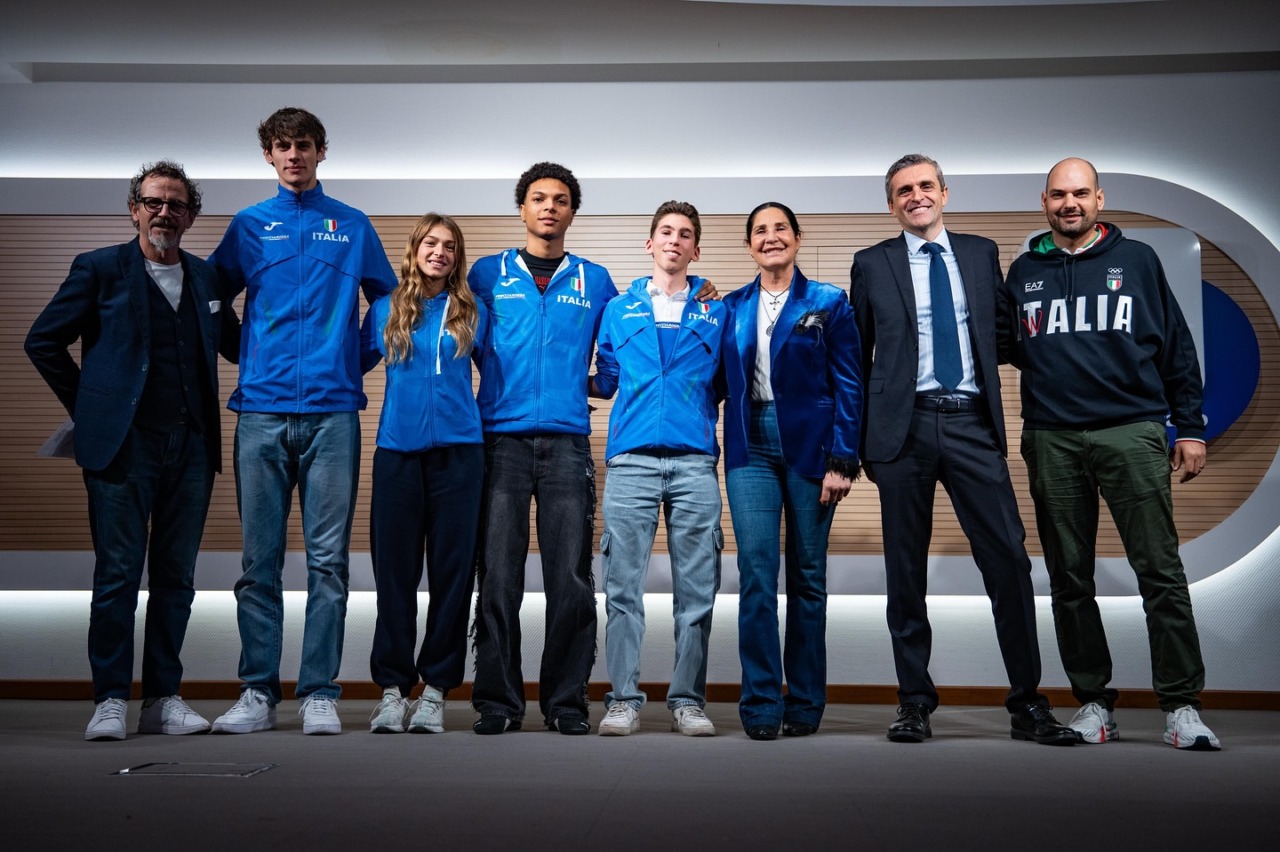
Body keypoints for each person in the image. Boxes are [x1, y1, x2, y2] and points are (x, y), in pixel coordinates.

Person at [850, 153, 1076, 746]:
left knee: (1009, 562)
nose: (916, 196)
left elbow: (1004, 335)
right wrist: (855, 443)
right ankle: (914, 703)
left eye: (926, 185)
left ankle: (1028, 704)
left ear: (945, 194)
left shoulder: (980, 253)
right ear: (891, 204)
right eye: (903, 190)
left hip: (972, 422)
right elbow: (856, 356)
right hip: (901, 431)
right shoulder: (871, 263)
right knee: (905, 571)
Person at [999, 157, 1219, 750]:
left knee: (1160, 572)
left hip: (1131, 432)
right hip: (1052, 438)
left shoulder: (1138, 260)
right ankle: (1093, 703)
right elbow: (1003, 346)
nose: (1069, 204)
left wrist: (1190, 426)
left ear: (1099, 199)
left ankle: (1181, 706)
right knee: (1069, 579)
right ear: (1044, 202)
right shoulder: (1023, 271)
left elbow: (1176, 347)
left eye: (1080, 193)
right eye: (1058, 195)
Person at [26, 160, 238, 740]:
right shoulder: (98, 268)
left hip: (192, 448)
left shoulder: (207, 278)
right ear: (134, 210)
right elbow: (42, 341)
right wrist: (91, 409)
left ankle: (163, 698)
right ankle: (111, 699)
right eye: (153, 202)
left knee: (177, 579)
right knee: (118, 575)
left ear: (191, 216)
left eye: (176, 205)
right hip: (123, 449)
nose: (163, 212)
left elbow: (237, 347)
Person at [208, 107, 397, 736]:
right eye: (283, 146)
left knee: (328, 563)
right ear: (268, 154)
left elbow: (388, 300)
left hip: (332, 415)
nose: (294, 155)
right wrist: (241, 353)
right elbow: (212, 296)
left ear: (321, 152)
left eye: (305, 145)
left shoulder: (352, 224)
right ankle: (257, 692)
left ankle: (319, 692)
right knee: (258, 564)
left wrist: (354, 357)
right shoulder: (248, 225)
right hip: (260, 413)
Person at [466, 162, 619, 735]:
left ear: (572, 212)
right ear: (522, 208)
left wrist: (583, 384)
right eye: (538, 198)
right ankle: (498, 702)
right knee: (497, 576)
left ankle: (566, 703)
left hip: (567, 443)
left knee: (571, 579)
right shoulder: (486, 273)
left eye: (560, 199)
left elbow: (617, 347)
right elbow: (464, 340)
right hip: (498, 441)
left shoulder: (595, 280)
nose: (549, 207)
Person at [720, 202, 862, 741]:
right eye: (760, 230)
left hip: (812, 446)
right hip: (749, 444)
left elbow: (849, 383)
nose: (771, 236)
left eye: (781, 228)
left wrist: (843, 458)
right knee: (756, 576)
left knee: (807, 578)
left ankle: (804, 701)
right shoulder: (731, 306)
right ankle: (760, 702)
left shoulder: (829, 301)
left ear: (798, 238)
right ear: (749, 245)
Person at [590, 201, 727, 737]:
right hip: (630, 462)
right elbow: (606, 377)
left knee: (697, 592)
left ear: (696, 249)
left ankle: (688, 700)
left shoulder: (717, 311)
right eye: (666, 232)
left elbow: (727, 381)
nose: (675, 240)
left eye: (685, 234)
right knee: (622, 590)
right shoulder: (617, 310)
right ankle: (623, 699)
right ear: (650, 243)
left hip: (695, 462)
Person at [360, 214, 487, 734]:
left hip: (460, 457)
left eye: (449, 246)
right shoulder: (385, 309)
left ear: (457, 258)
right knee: (394, 577)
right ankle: (393, 691)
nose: (439, 252)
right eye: (431, 243)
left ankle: (435, 691)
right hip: (397, 455)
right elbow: (347, 365)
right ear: (414, 250)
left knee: (452, 578)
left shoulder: (472, 311)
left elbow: (503, 372)